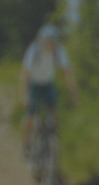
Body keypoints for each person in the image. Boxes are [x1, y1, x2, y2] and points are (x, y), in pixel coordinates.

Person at [20, 23, 78, 157]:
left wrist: (73, 95)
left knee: (54, 116)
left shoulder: (59, 51)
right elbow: (25, 75)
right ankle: (26, 143)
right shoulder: (33, 50)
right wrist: (25, 95)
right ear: (41, 40)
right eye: (46, 42)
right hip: (33, 84)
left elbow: (67, 74)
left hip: (48, 84)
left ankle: (51, 150)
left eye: (51, 42)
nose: (49, 45)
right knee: (30, 118)